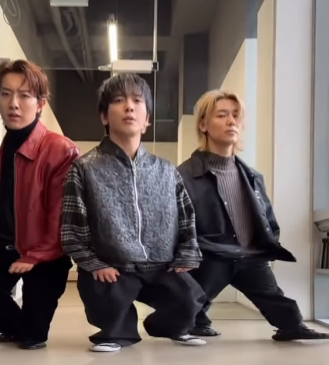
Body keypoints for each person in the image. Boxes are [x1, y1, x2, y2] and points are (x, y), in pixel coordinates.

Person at [62, 73, 206, 353]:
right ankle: (117, 332)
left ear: (147, 118)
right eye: (118, 100)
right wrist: (95, 264)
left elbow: (187, 218)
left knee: (191, 299)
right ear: (104, 116)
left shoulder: (167, 171)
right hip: (113, 267)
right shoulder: (84, 168)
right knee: (107, 300)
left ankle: (169, 327)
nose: (129, 107)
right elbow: (72, 230)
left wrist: (187, 253)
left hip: (162, 265)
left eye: (137, 101)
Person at [178, 89, 329, 342]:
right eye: (222, 115)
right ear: (203, 125)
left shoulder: (252, 176)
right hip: (211, 254)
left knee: (280, 304)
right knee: (189, 305)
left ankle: (292, 326)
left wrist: (268, 243)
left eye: (236, 115)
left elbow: (266, 217)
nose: (231, 121)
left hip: (250, 255)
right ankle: (196, 319)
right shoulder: (184, 175)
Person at [0, 60, 79, 350]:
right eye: (5, 94)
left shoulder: (61, 150)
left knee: (33, 338)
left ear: (40, 103)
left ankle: (28, 329)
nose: (13, 104)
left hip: (46, 254)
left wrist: (36, 255)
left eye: (24, 95)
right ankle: (19, 327)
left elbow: (61, 215)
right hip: (3, 250)